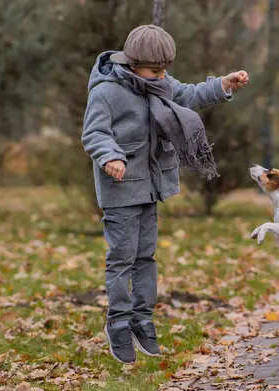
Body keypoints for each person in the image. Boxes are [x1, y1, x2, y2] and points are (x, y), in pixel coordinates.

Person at [81, 24, 249, 364]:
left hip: (150, 188)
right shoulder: (106, 92)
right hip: (120, 190)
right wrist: (110, 155)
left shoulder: (159, 83)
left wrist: (222, 85)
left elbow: (187, 94)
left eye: (165, 70)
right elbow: (94, 132)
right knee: (122, 258)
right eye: (156, 70)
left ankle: (143, 319)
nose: (163, 76)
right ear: (133, 64)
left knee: (146, 256)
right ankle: (117, 323)